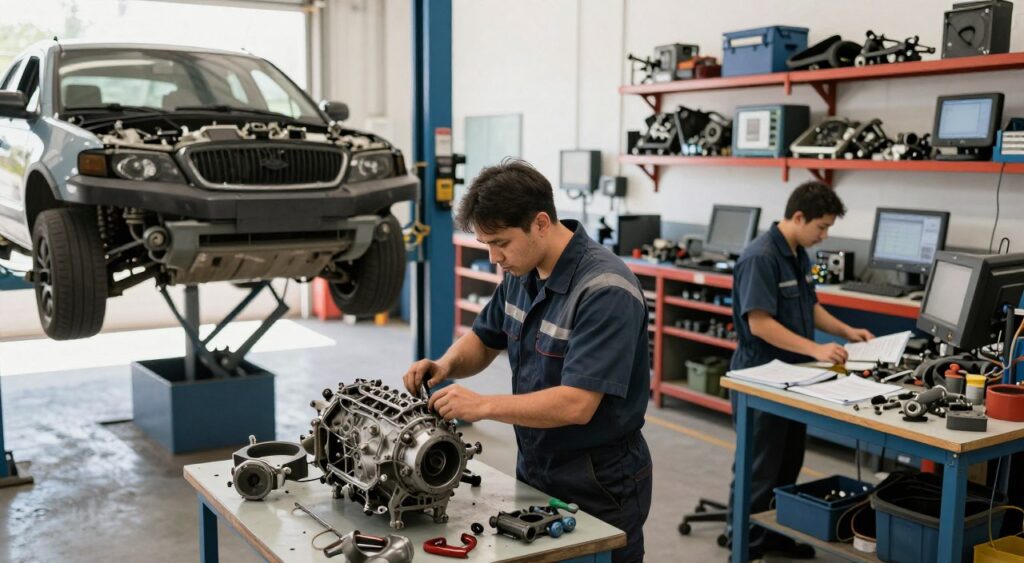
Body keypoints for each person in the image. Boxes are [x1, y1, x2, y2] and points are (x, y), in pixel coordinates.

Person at [403, 159, 652, 562]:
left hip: (600, 481)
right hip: (537, 469)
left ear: (540, 223)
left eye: (500, 242)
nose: (494, 256)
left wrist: (482, 405)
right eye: (487, 244)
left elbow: (577, 404)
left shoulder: (605, 291)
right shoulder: (522, 272)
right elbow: (485, 338)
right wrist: (444, 365)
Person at [727, 181, 874, 559]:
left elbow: (810, 305)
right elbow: (759, 323)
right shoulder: (760, 257)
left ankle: (773, 535)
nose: (823, 236)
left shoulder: (797, 253)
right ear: (798, 217)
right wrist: (816, 348)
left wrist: (846, 332)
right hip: (761, 376)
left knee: (788, 464)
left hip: (795, 376)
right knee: (759, 470)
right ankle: (744, 547)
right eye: (821, 227)